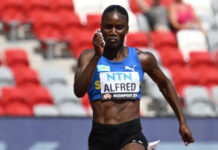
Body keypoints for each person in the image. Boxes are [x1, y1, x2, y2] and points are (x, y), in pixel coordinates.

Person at [74, 5, 194, 150]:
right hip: (101, 135)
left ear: (126, 29)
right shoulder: (88, 57)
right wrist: (97, 57)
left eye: (119, 27)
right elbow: (79, 91)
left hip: (130, 133)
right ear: (101, 28)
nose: (113, 32)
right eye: (108, 27)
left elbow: (165, 84)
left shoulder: (142, 58)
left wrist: (182, 122)